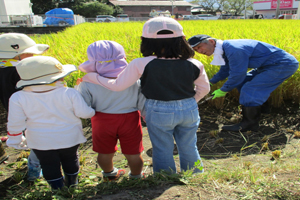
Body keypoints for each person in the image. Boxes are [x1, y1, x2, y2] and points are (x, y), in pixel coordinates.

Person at [82, 17, 210, 174]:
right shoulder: (194, 63)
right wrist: (189, 102)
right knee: (189, 145)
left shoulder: (140, 63)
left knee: (162, 146)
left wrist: (92, 77)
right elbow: (204, 89)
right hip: (189, 109)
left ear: (146, 41)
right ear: (182, 40)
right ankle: (195, 175)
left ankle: (165, 177)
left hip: (159, 110)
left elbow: (118, 86)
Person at [6, 56, 95, 189]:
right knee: (71, 160)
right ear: (58, 77)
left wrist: (15, 139)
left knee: (48, 164)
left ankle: (57, 189)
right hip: (69, 138)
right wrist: (93, 110)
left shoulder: (18, 97)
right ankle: (72, 184)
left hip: (40, 141)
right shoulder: (69, 93)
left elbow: (15, 123)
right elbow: (84, 113)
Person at [188, 34, 299, 132]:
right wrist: (211, 82)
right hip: (267, 65)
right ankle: (261, 111)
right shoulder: (224, 50)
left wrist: (223, 90)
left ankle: (249, 124)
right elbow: (226, 70)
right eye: (196, 50)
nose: (200, 51)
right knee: (244, 81)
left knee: (250, 89)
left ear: (211, 41)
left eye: (199, 47)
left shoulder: (234, 49)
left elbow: (237, 74)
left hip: (282, 65)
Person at [77, 40, 146, 180]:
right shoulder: (134, 79)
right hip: (130, 118)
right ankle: (136, 176)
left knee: (104, 152)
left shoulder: (87, 83)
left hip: (101, 119)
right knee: (134, 153)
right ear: (123, 58)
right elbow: (142, 103)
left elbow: (83, 105)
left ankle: (109, 174)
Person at [0, 33, 49, 180]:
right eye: (31, 53)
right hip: (31, 111)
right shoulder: (21, 71)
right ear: (18, 55)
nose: (34, 55)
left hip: (14, 111)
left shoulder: (3, 69)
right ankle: (34, 171)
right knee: (40, 141)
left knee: (31, 136)